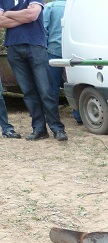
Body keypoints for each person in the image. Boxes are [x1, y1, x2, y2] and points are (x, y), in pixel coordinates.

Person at [0, 0, 68, 141]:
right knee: (28, 92)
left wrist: (8, 13)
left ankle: (57, 128)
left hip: (35, 45)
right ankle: (39, 129)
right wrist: (23, 16)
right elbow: (1, 22)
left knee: (45, 90)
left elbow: (32, 15)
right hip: (13, 47)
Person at [43, 0, 81, 124]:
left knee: (51, 86)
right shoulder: (81, 7)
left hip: (54, 52)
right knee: (77, 84)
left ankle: (51, 116)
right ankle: (79, 116)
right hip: (76, 53)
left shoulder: (51, 7)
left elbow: (44, 30)